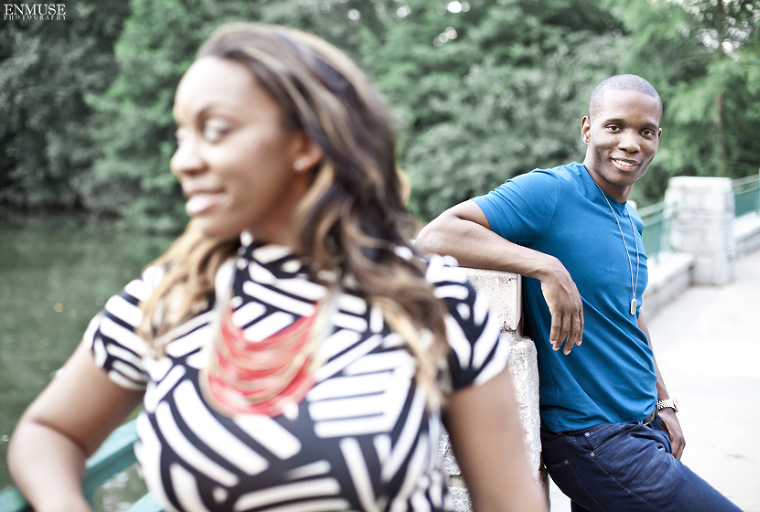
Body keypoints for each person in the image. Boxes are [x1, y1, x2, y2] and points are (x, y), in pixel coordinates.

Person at [7, 23, 546, 512]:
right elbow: (48, 432)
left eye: (214, 130)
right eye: (181, 134)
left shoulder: (436, 300)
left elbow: (510, 503)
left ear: (304, 144)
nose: (183, 159)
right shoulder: (170, 295)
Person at [416, 74, 743, 512]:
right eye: (615, 127)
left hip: (644, 427)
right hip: (593, 439)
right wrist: (546, 266)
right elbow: (436, 235)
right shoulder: (552, 192)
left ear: (657, 139)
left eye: (645, 131)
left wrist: (664, 403)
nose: (630, 142)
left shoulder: (631, 219)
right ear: (587, 128)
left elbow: (630, 317)